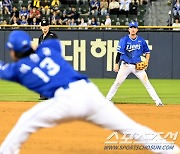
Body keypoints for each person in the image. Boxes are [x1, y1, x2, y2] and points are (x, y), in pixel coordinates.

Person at [0, 30, 179, 154]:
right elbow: (53, 43)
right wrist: (36, 51)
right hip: (89, 93)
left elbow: (5, 68)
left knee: (25, 121)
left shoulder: (16, 69)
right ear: (29, 45)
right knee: (132, 129)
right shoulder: (49, 49)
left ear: (12, 51)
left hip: (65, 101)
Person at [106, 21, 164, 106]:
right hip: (125, 65)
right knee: (117, 82)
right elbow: (119, 53)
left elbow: (147, 52)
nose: (133, 29)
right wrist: (116, 64)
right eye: (131, 28)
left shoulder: (141, 41)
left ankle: (158, 101)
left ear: (137, 30)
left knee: (147, 83)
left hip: (138, 67)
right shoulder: (124, 40)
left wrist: (146, 62)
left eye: (134, 28)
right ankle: (107, 100)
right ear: (128, 29)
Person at [38, 19, 58, 100]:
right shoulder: (41, 37)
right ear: (41, 27)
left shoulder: (52, 36)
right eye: (43, 26)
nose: (44, 27)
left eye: (46, 25)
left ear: (48, 26)